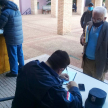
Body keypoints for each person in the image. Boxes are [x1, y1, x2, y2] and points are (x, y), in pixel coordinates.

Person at [12, 50, 82, 108]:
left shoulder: (29, 65)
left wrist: (57, 76)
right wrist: (74, 87)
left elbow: (40, 77)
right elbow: (76, 104)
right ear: (60, 70)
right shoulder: (54, 88)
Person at [80, 6, 108, 81]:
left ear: (104, 18)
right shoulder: (89, 24)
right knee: (85, 82)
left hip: (98, 64)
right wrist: (82, 39)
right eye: (93, 18)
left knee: (96, 87)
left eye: (98, 19)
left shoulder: (107, 28)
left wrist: (105, 67)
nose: (95, 21)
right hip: (87, 62)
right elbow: (84, 34)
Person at [0, 0, 24, 77]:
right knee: (20, 54)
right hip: (19, 36)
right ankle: (22, 69)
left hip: (11, 37)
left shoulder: (6, 12)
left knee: (13, 55)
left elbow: (0, 25)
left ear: (3, 5)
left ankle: (14, 72)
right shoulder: (17, 10)